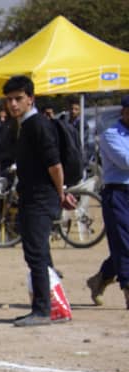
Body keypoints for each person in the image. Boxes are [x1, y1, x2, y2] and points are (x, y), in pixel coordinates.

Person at [3, 75, 76, 327]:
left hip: (40, 199)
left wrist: (60, 193)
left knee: (36, 254)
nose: (13, 104)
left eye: (18, 99)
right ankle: (52, 306)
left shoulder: (37, 125)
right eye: (9, 100)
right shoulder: (24, 125)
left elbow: (54, 164)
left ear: (30, 99)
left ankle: (43, 310)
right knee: (39, 252)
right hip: (32, 197)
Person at [85, 95, 129, 310]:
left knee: (125, 247)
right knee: (124, 244)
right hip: (118, 194)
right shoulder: (111, 135)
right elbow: (125, 162)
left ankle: (101, 277)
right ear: (124, 112)